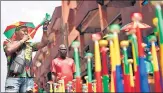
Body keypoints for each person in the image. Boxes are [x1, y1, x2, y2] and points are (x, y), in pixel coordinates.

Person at [3, 21, 50, 92]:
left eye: (27, 31)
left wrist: (45, 29)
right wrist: (23, 40)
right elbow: (9, 50)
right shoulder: (7, 42)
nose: (26, 33)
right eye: (23, 31)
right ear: (16, 33)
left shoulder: (29, 45)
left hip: (28, 79)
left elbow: (44, 43)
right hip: (13, 78)